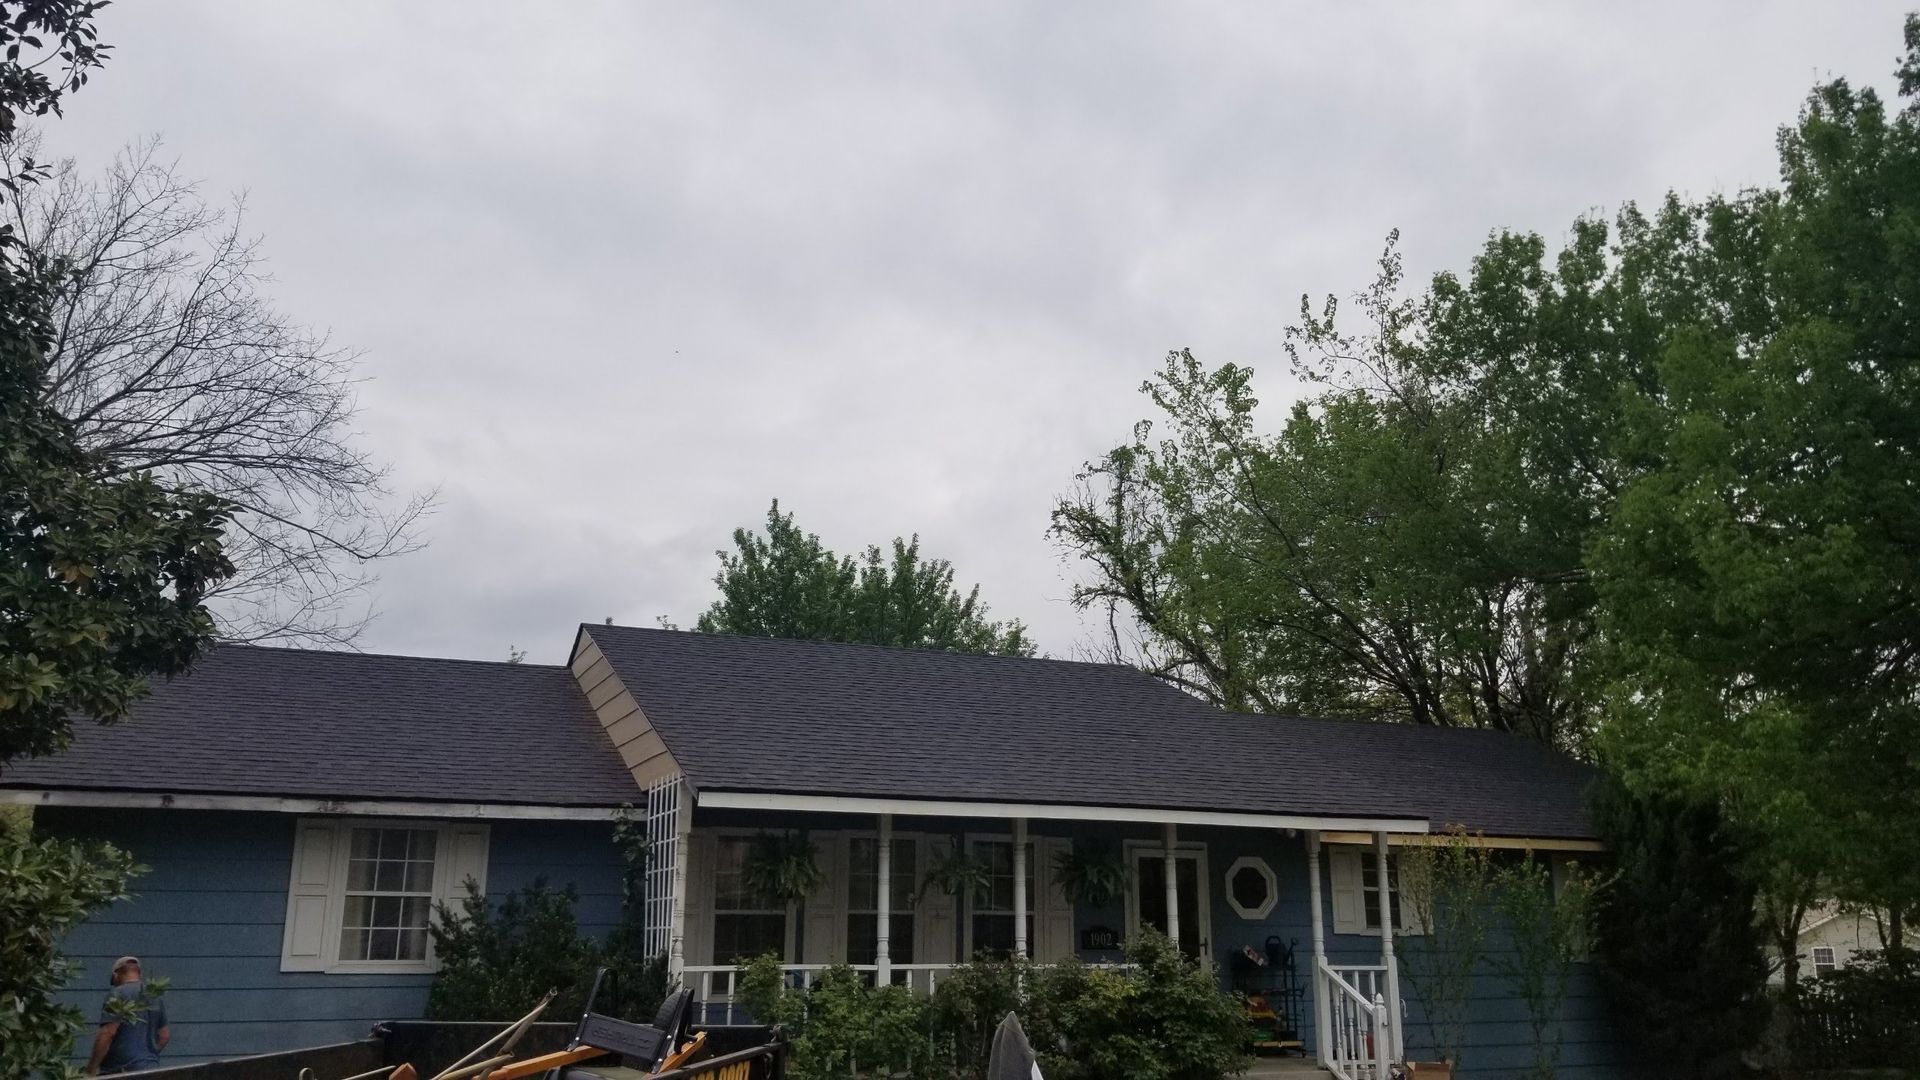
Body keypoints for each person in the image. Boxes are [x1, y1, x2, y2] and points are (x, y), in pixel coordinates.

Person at [84, 956, 169, 1075]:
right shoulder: (154, 997)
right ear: (139, 973)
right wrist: (148, 1056)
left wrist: (91, 1068)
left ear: (116, 975)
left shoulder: (116, 994)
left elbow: (108, 1033)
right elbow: (164, 1036)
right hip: (150, 1068)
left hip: (120, 1070)